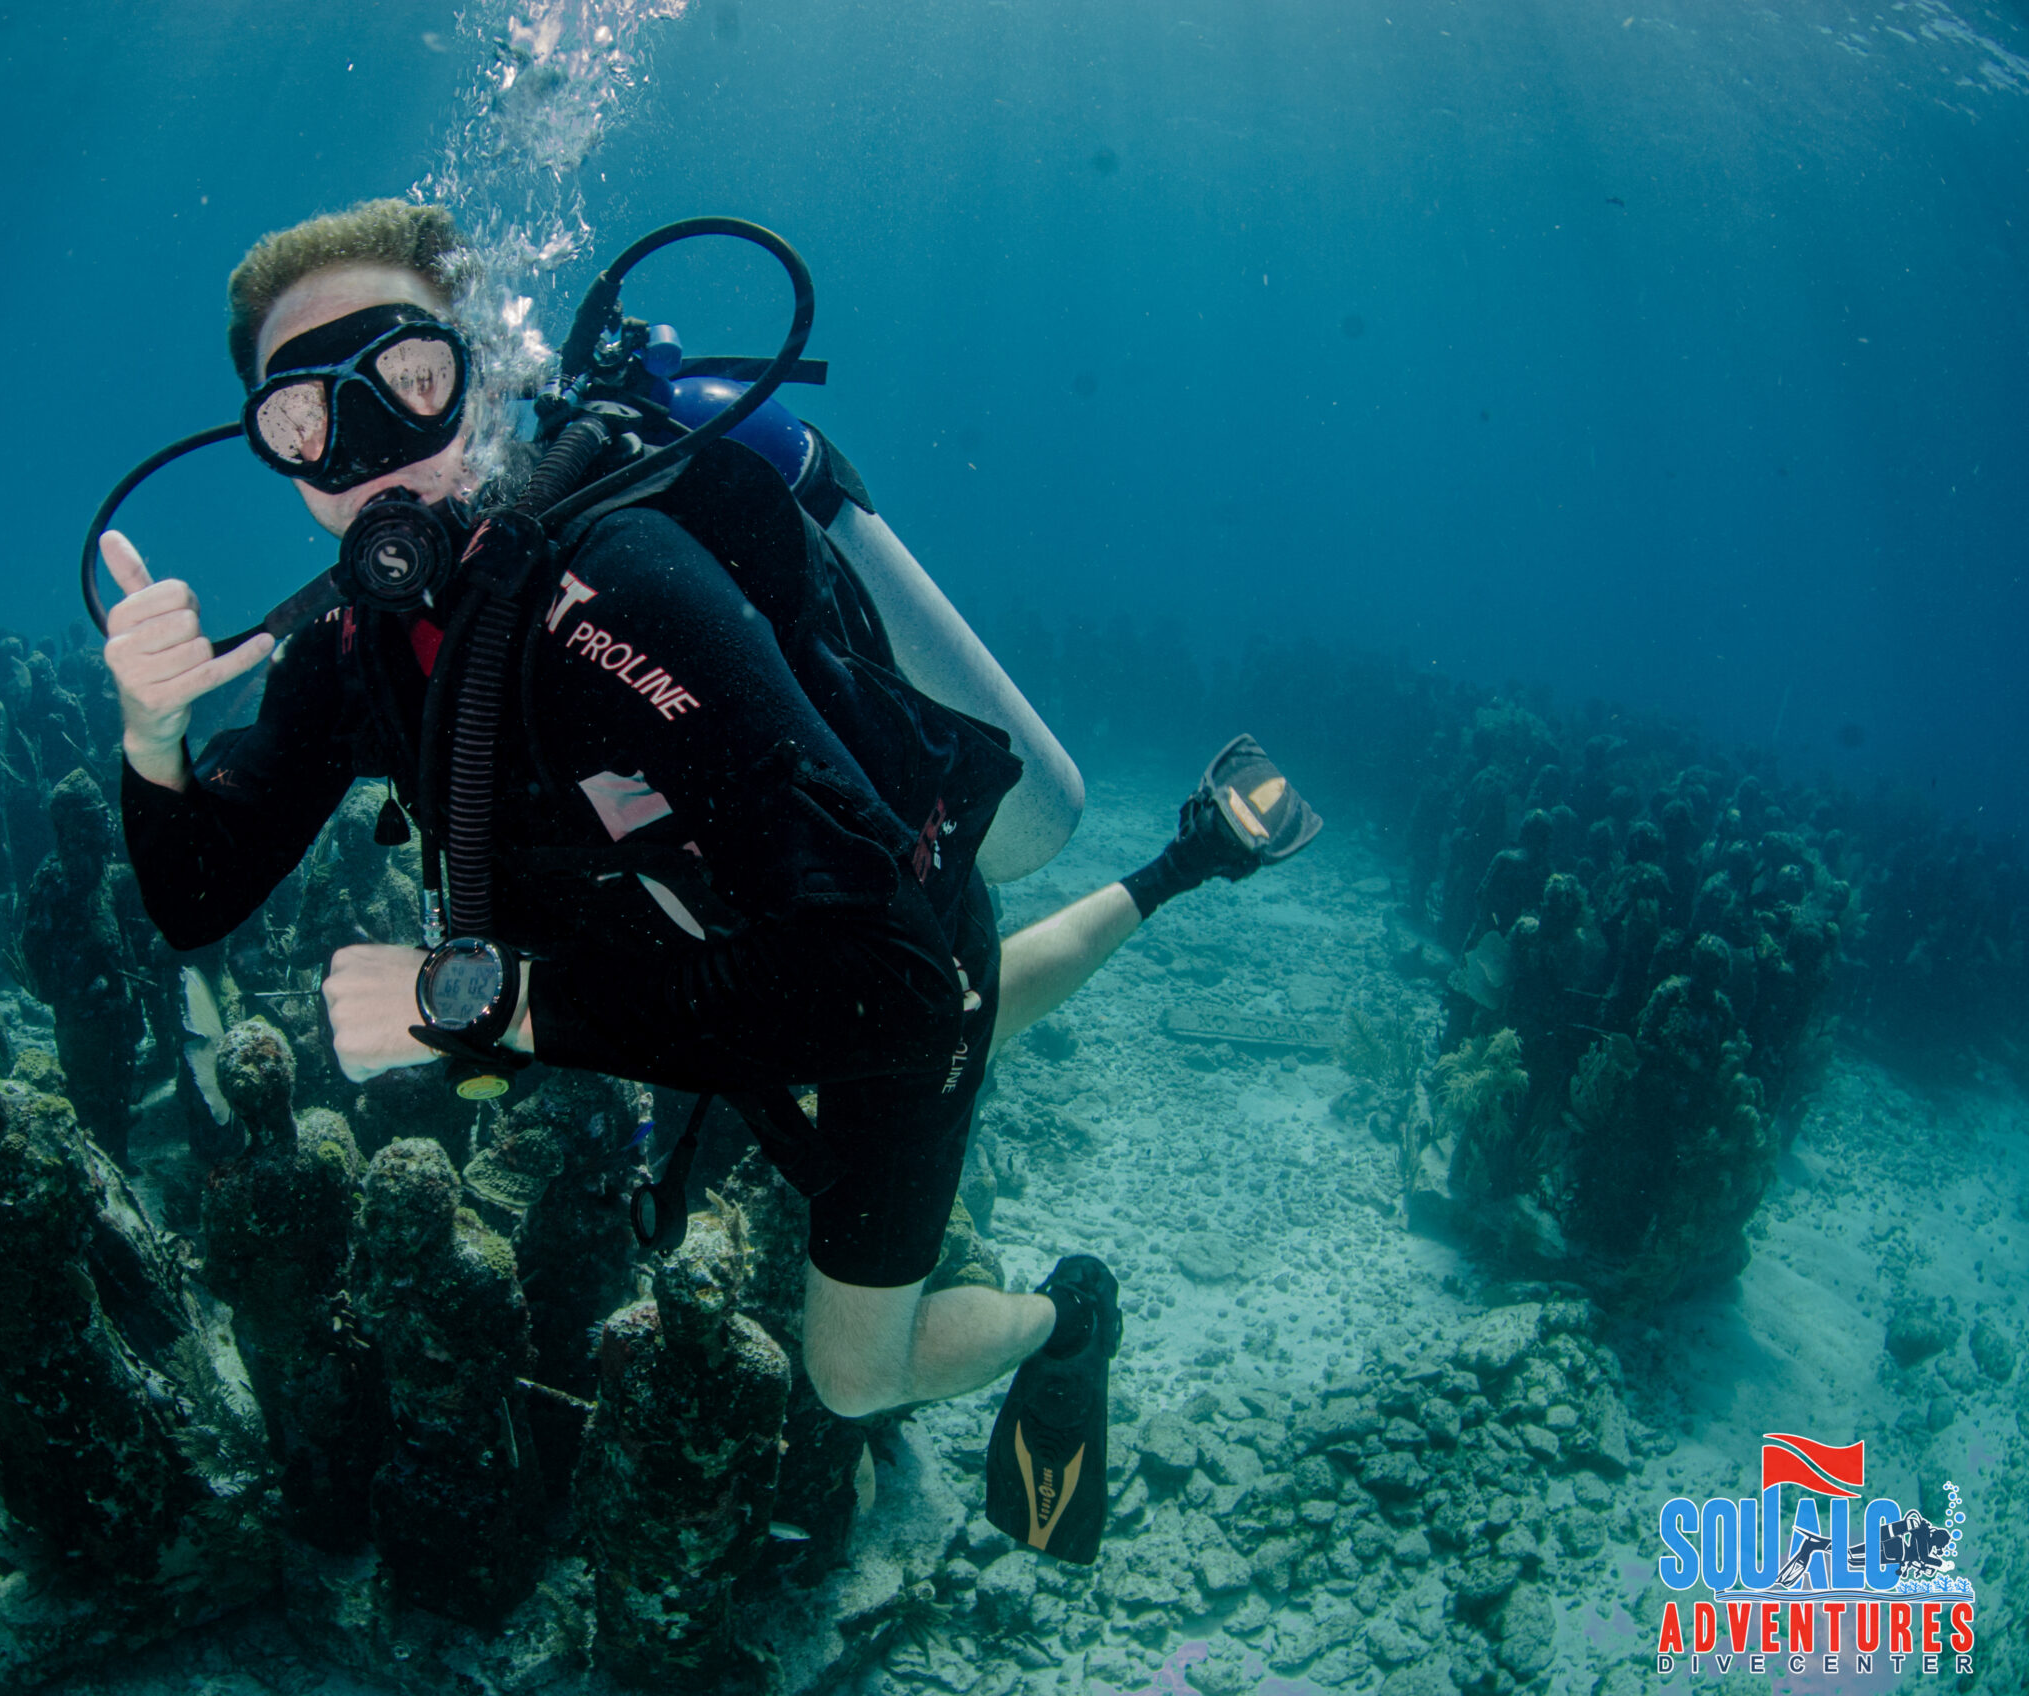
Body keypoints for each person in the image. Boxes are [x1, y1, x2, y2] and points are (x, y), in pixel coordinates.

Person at [101, 199, 1317, 1565]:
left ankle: (1069, 1314)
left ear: (480, 378)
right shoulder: (350, 649)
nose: (369, 455)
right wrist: (154, 740)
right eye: (307, 420)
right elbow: (195, 895)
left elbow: (901, 995)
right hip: (742, 983)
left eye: (410, 383)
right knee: (949, 1031)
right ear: (271, 447)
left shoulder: (623, 589)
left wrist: (496, 1003)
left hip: (877, 963)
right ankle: (1186, 863)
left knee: (859, 1365)